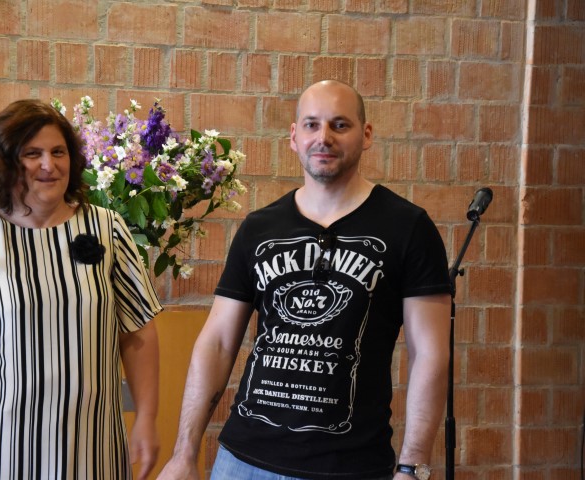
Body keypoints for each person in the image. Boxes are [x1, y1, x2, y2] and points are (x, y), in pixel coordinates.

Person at [158, 80, 451, 480]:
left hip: (349, 468)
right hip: (242, 463)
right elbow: (218, 343)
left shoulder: (408, 228)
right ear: (294, 137)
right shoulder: (259, 228)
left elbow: (429, 353)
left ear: (366, 135)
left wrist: (413, 467)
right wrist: (183, 454)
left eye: (340, 125)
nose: (323, 137)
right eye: (312, 124)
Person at [0, 99, 163, 480]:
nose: (49, 164)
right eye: (33, 154)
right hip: (6, 446)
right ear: (5, 162)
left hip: (95, 445)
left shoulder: (108, 230)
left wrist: (146, 418)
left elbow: (138, 333)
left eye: (58, 152)